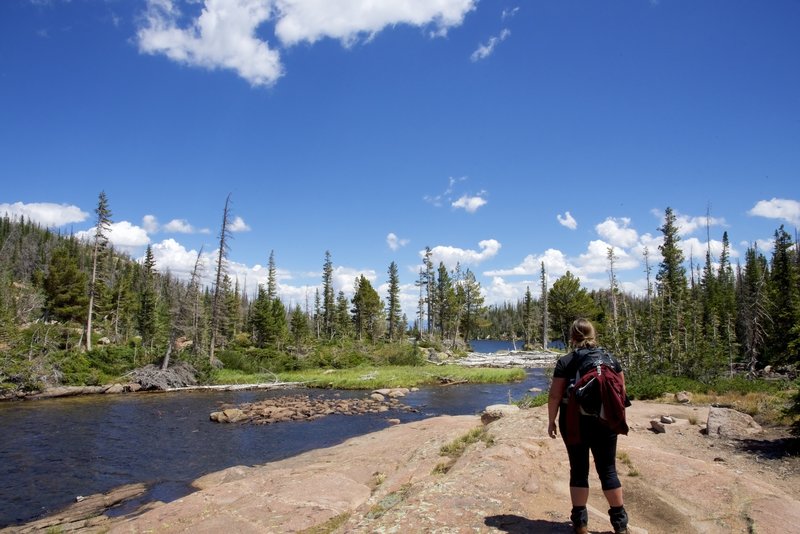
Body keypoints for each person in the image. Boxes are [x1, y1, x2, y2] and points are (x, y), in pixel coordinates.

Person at [547, 318, 629, 534]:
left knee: (579, 470)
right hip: (606, 420)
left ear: (573, 337)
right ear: (594, 335)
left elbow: (555, 395)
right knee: (608, 470)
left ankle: (581, 525)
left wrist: (551, 420)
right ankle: (620, 525)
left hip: (574, 421)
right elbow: (621, 391)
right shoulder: (610, 359)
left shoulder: (566, 361)